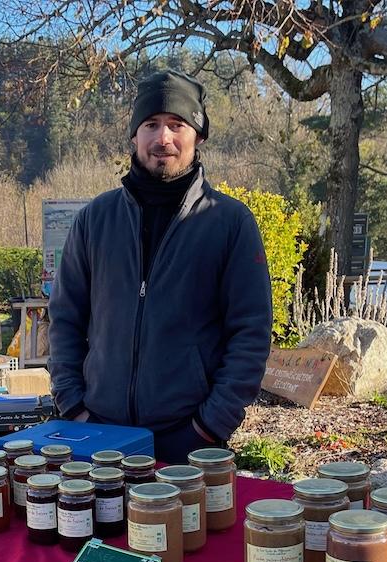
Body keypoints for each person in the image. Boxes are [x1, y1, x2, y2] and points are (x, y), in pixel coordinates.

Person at [47, 69, 273, 463]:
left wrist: (210, 425)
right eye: (151, 124)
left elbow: (250, 334)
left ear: (198, 134)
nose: (163, 138)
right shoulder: (94, 220)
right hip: (99, 432)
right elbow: (65, 319)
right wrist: (74, 407)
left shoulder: (229, 223)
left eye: (176, 124)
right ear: (135, 135)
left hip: (189, 439)